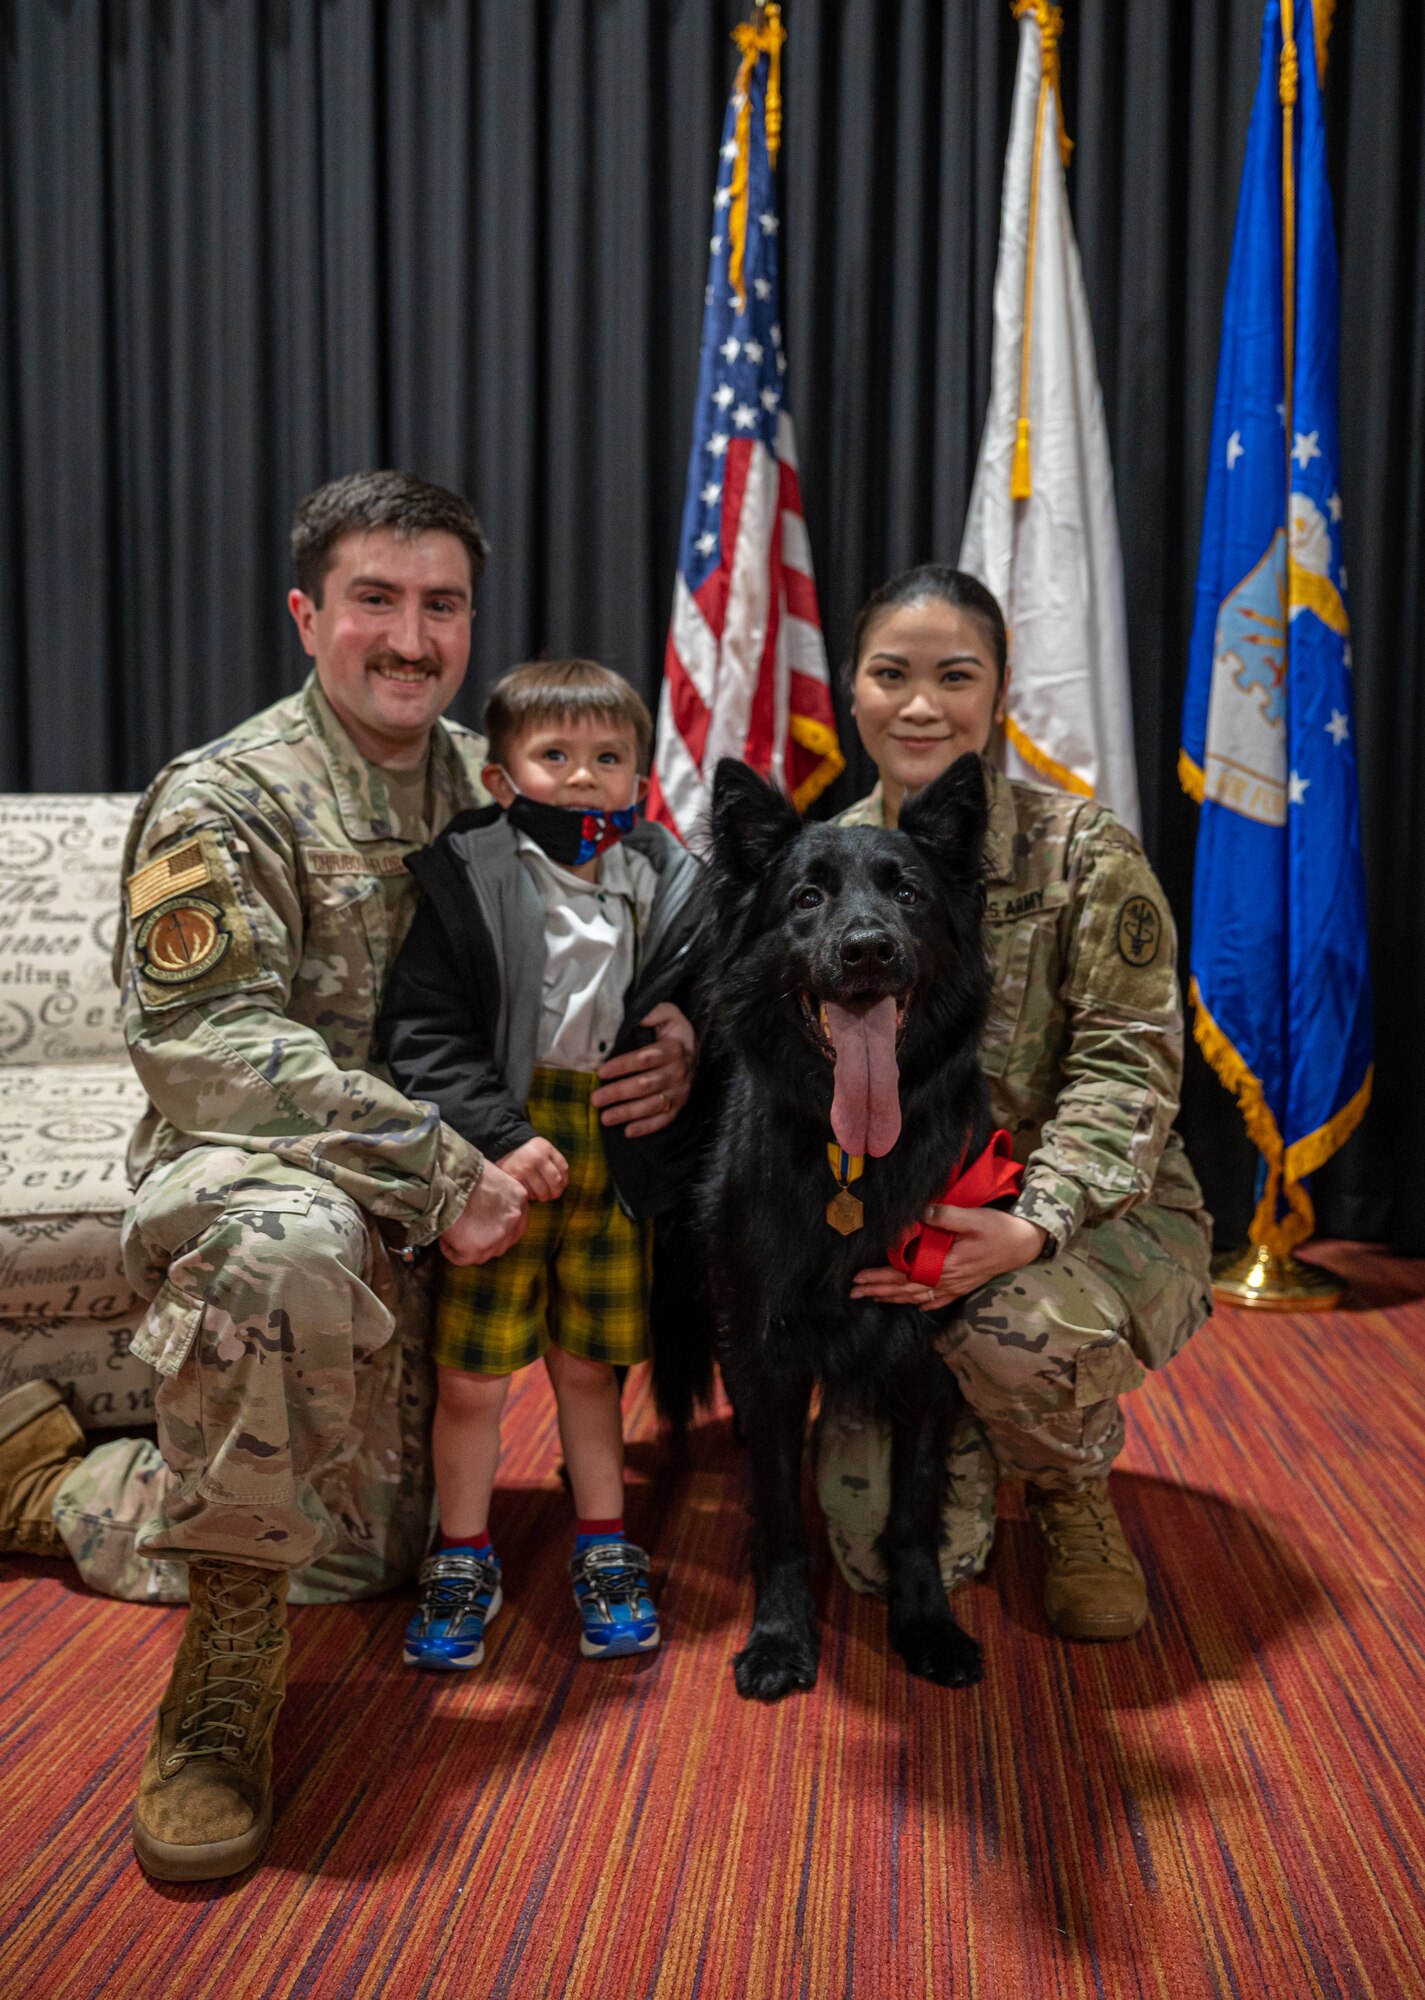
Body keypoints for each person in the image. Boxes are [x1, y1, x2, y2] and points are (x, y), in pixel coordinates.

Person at [0, 472, 695, 1883]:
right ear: (310, 615)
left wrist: (674, 1031)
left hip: (473, 1193)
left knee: (376, 1560)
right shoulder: (229, 794)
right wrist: (446, 1165)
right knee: (287, 1250)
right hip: (273, 1178)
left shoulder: (500, 773)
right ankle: (216, 1676)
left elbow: (636, 924)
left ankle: (60, 1475)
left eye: (441, 604)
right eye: (375, 599)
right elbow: (208, 1047)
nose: (410, 635)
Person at [814, 564, 1213, 1642]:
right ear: (851, 690)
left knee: (1016, 1330)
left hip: (1082, 1222)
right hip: (894, 1228)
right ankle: (967, 1417)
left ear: (999, 693)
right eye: (891, 674)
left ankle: (1066, 1482)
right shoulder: (827, 862)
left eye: (956, 675)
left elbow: (1128, 1070)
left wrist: (1030, 1223)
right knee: (869, 1554)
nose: (921, 704)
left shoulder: (1084, 853)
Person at [378, 658, 704, 1671]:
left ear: (641, 773)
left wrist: (691, 1028)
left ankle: (604, 1544)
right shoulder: (470, 871)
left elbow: (715, 994)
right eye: (554, 754)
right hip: (501, 1153)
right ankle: (462, 1552)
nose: (581, 777)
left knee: (589, 1368)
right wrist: (499, 1135)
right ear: (501, 773)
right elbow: (422, 1033)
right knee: (472, 1377)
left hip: (615, 1149)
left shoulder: (664, 872)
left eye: (608, 757)